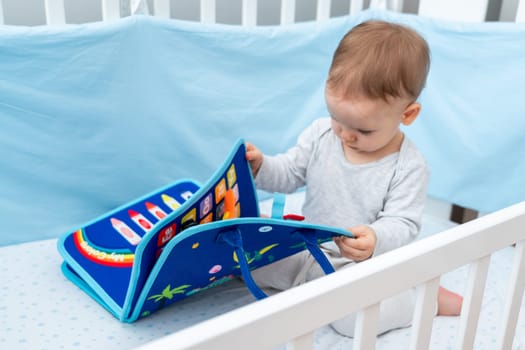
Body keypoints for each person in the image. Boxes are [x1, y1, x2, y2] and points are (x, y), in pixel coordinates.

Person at [245, 20, 463, 336]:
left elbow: (403, 224)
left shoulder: (408, 166)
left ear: (407, 115)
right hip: (307, 247)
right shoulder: (321, 134)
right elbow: (290, 173)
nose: (346, 135)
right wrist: (261, 167)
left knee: (351, 320)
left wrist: (374, 239)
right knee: (246, 255)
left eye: (363, 129)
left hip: (358, 267)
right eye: (337, 118)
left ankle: (422, 299)